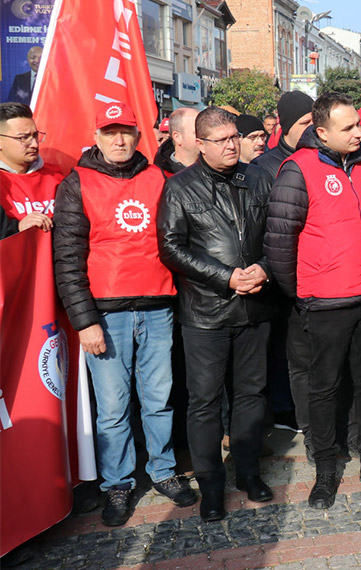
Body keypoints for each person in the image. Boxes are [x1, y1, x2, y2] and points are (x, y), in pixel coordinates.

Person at [53, 102, 196, 526]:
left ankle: (164, 471)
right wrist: (84, 320)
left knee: (159, 400)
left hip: (157, 307)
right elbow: (67, 258)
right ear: (96, 136)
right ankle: (117, 483)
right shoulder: (77, 183)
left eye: (126, 132)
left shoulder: (159, 178)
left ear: (138, 135)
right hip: (105, 314)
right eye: (109, 132)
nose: (119, 140)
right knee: (113, 408)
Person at [264, 92, 361, 509]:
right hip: (324, 301)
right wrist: (303, 290)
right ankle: (326, 469)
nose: (360, 134)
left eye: (359, 125)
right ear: (321, 132)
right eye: (349, 128)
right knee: (324, 389)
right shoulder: (297, 170)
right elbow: (279, 243)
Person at [157, 107, 276, 521]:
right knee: (204, 403)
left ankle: (247, 471)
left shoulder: (259, 177)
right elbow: (171, 248)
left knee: (251, 395)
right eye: (221, 140)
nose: (231, 145)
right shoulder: (180, 188)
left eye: (234, 137)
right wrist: (226, 277)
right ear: (200, 144)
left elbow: (280, 233)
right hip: (206, 313)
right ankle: (210, 484)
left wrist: (265, 267)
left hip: (256, 306)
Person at [0, 102, 63, 234]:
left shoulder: (56, 176)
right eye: (23, 138)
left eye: (35, 135)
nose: (34, 144)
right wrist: (18, 229)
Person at [253, 91, 314, 177]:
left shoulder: (327, 158)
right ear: (287, 127)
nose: (313, 127)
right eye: (305, 123)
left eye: (316, 121)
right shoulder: (262, 167)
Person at [154, 108, 199, 176]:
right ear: (177, 137)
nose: (206, 136)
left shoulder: (216, 168)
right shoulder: (160, 178)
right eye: (198, 132)